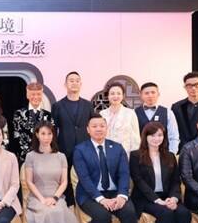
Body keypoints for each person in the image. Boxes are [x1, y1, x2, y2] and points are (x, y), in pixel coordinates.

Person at [73, 113, 144, 223]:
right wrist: (101, 199)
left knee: (129, 213)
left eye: (102, 126)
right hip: (90, 195)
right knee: (102, 216)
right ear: (88, 130)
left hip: (115, 193)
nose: (99, 129)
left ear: (107, 128)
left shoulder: (117, 148)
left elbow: (124, 174)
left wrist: (121, 196)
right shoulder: (80, 149)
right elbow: (84, 179)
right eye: (94, 126)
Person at [130, 122, 190, 223]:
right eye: (153, 135)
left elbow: (176, 181)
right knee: (165, 214)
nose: (157, 138)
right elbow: (139, 182)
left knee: (184, 213)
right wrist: (157, 200)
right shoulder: (136, 155)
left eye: (160, 135)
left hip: (168, 197)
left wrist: (174, 198)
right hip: (146, 199)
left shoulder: (169, 156)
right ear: (146, 136)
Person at [24, 121, 83, 223]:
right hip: (38, 197)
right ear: (37, 135)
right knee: (47, 213)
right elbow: (29, 182)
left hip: (56, 196)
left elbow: (64, 182)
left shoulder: (61, 156)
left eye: (49, 134)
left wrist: (55, 197)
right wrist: (43, 199)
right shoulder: (31, 156)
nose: (46, 137)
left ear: (53, 135)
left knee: (57, 211)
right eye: (43, 133)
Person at [51, 72, 94, 206]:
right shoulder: (57, 106)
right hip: (64, 147)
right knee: (66, 179)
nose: (74, 83)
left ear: (80, 84)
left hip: (85, 148)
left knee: (85, 176)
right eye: (71, 80)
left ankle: (86, 202)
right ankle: (69, 204)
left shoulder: (88, 105)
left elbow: (91, 126)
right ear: (65, 84)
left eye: (77, 80)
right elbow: (54, 129)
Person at [12, 82, 54, 163]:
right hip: (25, 158)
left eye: (38, 94)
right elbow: (16, 137)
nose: (36, 97)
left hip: (44, 157)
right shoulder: (19, 114)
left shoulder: (48, 115)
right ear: (27, 95)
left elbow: (51, 137)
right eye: (33, 94)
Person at [135, 82, 180, 154]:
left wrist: (172, 154)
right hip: (141, 155)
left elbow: (174, 136)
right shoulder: (134, 113)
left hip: (164, 154)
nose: (150, 95)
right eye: (146, 93)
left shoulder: (168, 112)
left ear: (158, 94)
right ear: (141, 95)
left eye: (153, 92)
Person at [99, 83, 140, 156]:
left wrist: (134, 156)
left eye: (118, 93)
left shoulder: (130, 113)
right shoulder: (102, 114)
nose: (115, 96)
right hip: (106, 154)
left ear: (123, 96)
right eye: (112, 93)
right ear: (108, 96)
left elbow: (136, 138)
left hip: (124, 154)